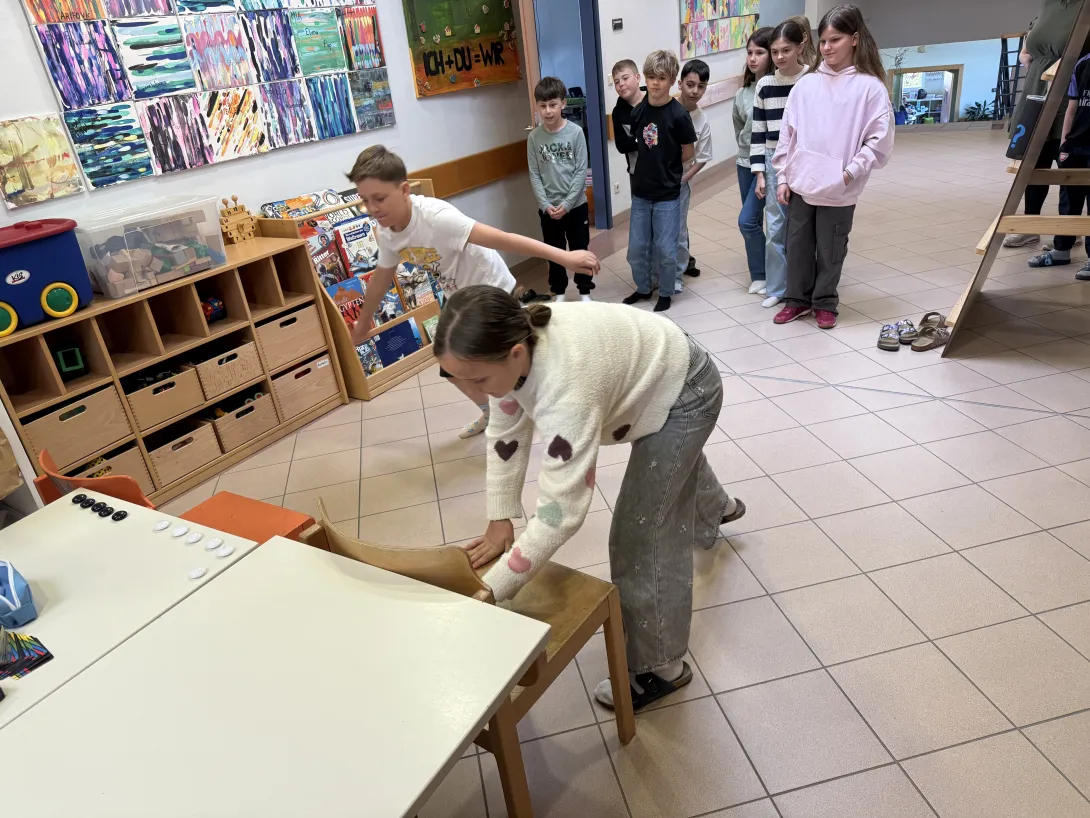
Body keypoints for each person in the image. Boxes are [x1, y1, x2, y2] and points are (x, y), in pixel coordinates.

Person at [435, 285, 746, 711]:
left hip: (685, 392)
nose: (473, 391)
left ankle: (662, 668)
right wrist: (500, 515)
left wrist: (494, 589)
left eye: (478, 380)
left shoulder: (566, 389)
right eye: (456, 378)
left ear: (515, 353)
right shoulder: (511, 340)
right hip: (657, 368)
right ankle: (717, 508)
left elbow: (561, 512)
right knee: (670, 470)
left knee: (639, 534)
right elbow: (506, 434)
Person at [346, 145, 599, 438]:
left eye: (379, 198)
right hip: (459, 299)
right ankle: (494, 414)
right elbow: (381, 278)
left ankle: (558, 407)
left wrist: (565, 257)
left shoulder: (436, 217)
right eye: (365, 201)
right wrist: (363, 322)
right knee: (452, 367)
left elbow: (504, 239)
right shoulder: (387, 233)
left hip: (490, 289)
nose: (373, 208)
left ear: (404, 190)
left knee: (509, 358)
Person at [772, 4, 894, 329]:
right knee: (797, 245)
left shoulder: (870, 88)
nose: (827, 48)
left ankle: (825, 302)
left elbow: (879, 141)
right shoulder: (806, 85)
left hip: (841, 187)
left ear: (854, 39)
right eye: (823, 41)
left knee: (831, 248)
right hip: (801, 182)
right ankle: (797, 300)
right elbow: (788, 135)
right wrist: (783, 176)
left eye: (835, 40)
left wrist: (849, 173)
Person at [1009, 0, 1088, 251]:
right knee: (1033, 162)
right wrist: (1026, 53)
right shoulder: (1047, 5)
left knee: (1067, 163)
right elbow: (1030, 42)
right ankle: (1030, 227)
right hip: (1036, 91)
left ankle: (1068, 232)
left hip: (1068, 95)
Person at [621, 50, 697, 313]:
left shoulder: (679, 115)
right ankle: (644, 287)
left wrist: (669, 169)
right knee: (637, 248)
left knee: (665, 249)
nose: (655, 83)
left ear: (672, 80)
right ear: (645, 77)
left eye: (662, 78)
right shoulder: (639, 111)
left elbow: (688, 152)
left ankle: (666, 291)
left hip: (667, 194)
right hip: (641, 192)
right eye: (651, 77)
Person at [751, 18, 811, 309]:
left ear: (800, 47)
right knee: (775, 227)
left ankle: (801, 287)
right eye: (774, 51)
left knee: (802, 229)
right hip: (774, 160)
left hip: (805, 161)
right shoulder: (764, 85)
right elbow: (758, 132)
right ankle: (777, 287)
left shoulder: (811, 80)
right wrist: (760, 173)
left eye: (786, 50)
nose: (779, 57)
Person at [527, 76, 593, 302]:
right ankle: (560, 292)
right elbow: (534, 174)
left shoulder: (575, 132)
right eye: (543, 106)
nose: (548, 111)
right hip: (549, 209)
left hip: (576, 207)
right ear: (537, 106)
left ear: (563, 104)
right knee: (553, 251)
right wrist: (545, 205)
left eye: (553, 104)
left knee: (579, 248)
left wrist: (567, 204)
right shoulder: (534, 138)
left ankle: (585, 292)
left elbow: (581, 171)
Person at [734, 27, 774, 294]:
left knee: (747, 220)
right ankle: (760, 273)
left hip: (769, 164)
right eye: (750, 52)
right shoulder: (742, 94)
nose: (753, 58)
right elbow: (740, 130)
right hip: (744, 163)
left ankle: (765, 273)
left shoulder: (779, 87)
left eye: (760, 52)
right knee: (754, 221)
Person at [1049, 52, 1090, 278]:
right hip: (1076, 144)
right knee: (1068, 199)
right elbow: (1072, 107)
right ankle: (1061, 251)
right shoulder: (1083, 63)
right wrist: (1064, 145)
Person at [676, 59, 713, 282]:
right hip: (658, 179)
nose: (694, 91)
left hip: (682, 179)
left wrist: (684, 179)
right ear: (680, 83)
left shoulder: (702, 120)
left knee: (679, 225)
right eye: (690, 85)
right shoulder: (666, 109)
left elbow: (703, 157)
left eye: (701, 86)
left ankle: (680, 269)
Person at [611, 59, 646, 183]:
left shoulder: (654, 101)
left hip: (664, 169)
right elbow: (622, 145)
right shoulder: (618, 112)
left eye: (625, 78)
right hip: (638, 173)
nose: (621, 84)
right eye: (616, 82)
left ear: (637, 78)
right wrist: (645, 139)